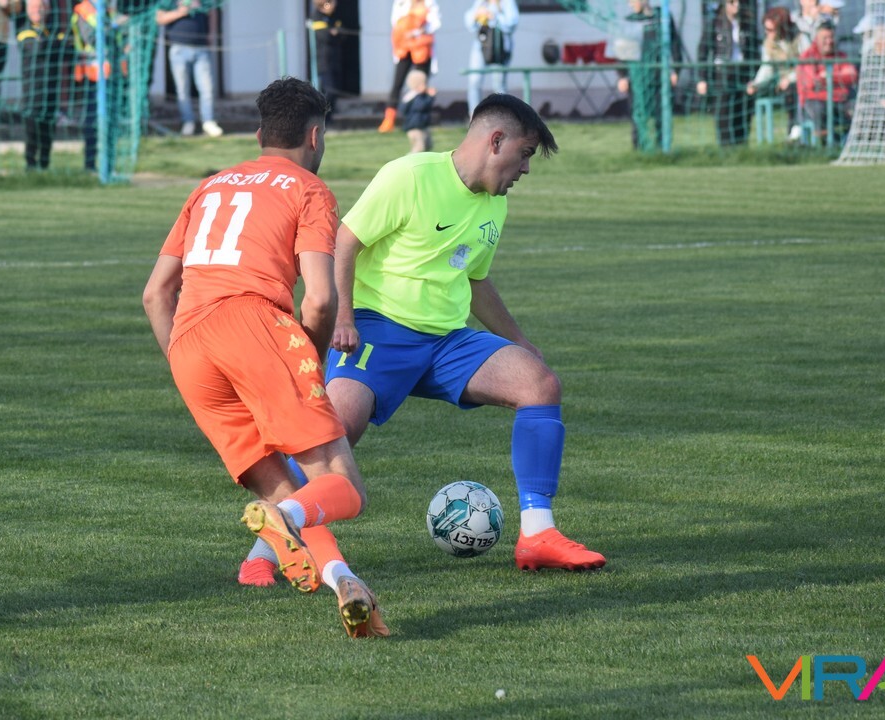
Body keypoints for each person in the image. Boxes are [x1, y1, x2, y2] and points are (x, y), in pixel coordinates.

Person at [262, 94, 606, 576]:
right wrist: (344, 318)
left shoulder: (494, 205)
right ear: (496, 141)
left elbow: (476, 280)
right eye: (525, 154)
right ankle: (264, 551)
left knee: (540, 385)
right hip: (378, 331)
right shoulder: (410, 175)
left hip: (447, 342)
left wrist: (520, 341)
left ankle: (538, 535)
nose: (525, 169)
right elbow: (345, 241)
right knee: (331, 433)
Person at [142, 77, 389, 639]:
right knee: (344, 487)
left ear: (259, 135)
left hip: (189, 345)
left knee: (289, 493)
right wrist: (308, 363)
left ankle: (345, 582)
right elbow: (320, 299)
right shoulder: (309, 189)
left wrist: (185, 362)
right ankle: (282, 521)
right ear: (315, 135)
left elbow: (155, 294)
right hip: (256, 326)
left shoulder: (209, 186)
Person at [615, 0, 684, 152]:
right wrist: (622, 76)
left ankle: (662, 148)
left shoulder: (663, 17)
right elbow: (622, 53)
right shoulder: (629, 21)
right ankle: (639, 149)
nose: (630, 4)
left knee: (661, 113)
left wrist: (675, 70)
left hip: (659, 75)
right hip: (637, 78)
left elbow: (675, 45)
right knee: (638, 113)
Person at [155, 0, 222, 137]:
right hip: (178, 49)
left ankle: (208, 121)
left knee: (207, 88)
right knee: (182, 90)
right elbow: (160, 18)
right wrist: (181, 12)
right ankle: (188, 122)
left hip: (201, 48)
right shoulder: (168, 2)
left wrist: (212, 33)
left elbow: (213, 11)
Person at [696, 0, 758, 146]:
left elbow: (754, 53)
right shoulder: (715, 24)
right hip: (722, 74)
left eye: (739, 2)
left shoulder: (747, 24)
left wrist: (754, 77)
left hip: (742, 74)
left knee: (742, 113)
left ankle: (741, 146)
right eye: (732, 2)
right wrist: (702, 78)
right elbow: (703, 52)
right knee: (724, 113)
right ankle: (725, 148)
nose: (737, 5)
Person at [71, 0, 123, 172]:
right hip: (92, 76)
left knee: (111, 121)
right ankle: (90, 164)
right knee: (92, 121)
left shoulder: (109, 11)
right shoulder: (83, 11)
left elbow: (121, 39)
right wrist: (113, 27)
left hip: (111, 74)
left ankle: (109, 164)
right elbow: (93, 39)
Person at [18, 0, 70, 170]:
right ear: (28, 10)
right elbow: (38, 49)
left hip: (51, 90)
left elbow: (66, 50)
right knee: (32, 130)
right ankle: (30, 164)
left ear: (47, 9)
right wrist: (57, 43)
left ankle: (45, 164)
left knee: (48, 129)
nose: (38, 10)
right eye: (34, 7)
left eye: (41, 7)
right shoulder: (25, 31)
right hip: (33, 92)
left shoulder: (49, 31)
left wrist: (54, 43)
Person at [379, 0, 440, 133]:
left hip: (422, 48)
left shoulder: (428, 3)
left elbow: (435, 24)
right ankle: (389, 119)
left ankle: (420, 120)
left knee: (421, 86)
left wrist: (417, 31)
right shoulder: (400, 3)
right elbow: (396, 23)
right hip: (404, 49)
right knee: (397, 83)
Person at [796, 20, 858, 143]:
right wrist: (840, 78)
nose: (829, 41)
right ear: (816, 39)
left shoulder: (841, 56)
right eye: (825, 38)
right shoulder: (807, 57)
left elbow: (852, 76)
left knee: (857, 106)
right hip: (816, 101)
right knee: (818, 109)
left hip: (841, 99)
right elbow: (813, 83)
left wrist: (828, 76)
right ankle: (824, 144)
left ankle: (853, 140)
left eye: (831, 37)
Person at [746, 6, 798, 139]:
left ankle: (794, 128)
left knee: (792, 90)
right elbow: (766, 68)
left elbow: (806, 65)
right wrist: (756, 84)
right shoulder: (768, 44)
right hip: (780, 83)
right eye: (765, 29)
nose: (767, 33)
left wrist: (791, 78)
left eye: (770, 30)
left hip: (800, 81)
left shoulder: (799, 38)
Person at [463, 0, 519, 118]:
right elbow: (469, 23)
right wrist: (476, 15)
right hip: (482, 46)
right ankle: (474, 117)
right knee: (474, 81)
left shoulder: (507, 2)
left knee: (498, 84)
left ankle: (501, 117)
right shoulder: (481, 2)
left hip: (499, 47)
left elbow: (512, 23)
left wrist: (494, 16)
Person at [310, 0, 344, 119]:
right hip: (324, 61)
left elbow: (342, 35)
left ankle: (329, 119)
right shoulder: (317, 16)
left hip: (335, 60)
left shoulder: (334, 17)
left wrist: (334, 33)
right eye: (332, 2)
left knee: (335, 91)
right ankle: (323, 118)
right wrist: (332, 33)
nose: (335, 4)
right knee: (329, 91)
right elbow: (325, 37)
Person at [399, 68, 434, 153]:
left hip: (422, 125)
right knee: (419, 147)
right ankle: (409, 159)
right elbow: (420, 107)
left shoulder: (421, 96)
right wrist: (431, 97)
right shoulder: (413, 96)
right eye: (423, 84)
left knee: (428, 145)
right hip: (415, 127)